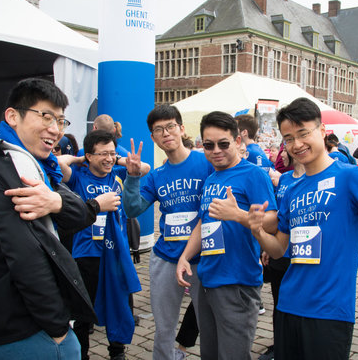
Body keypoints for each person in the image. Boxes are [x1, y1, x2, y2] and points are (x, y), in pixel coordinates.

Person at [248, 97, 358, 360]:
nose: (296, 144)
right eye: (288, 138)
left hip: (329, 312)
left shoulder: (350, 176)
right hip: (288, 306)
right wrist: (258, 231)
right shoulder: (291, 188)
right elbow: (280, 249)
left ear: (322, 131)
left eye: (303, 133)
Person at [0, 78, 97, 360]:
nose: (55, 129)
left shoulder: (35, 164)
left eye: (61, 121)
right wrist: (58, 328)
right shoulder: (6, 170)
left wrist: (56, 201)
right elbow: (27, 259)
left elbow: (79, 210)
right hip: (22, 327)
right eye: (46, 116)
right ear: (13, 116)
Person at [176, 111, 278, 360]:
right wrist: (185, 256)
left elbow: (273, 221)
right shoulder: (211, 178)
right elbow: (204, 221)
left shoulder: (253, 175)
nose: (216, 151)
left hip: (237, 282)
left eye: (223, 144)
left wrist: (238, 215)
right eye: (208, 145)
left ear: (238, 141)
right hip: (207, 279)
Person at [123, 104, 214, 360]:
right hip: (165, 258)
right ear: (153, 137)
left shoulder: (205, 162)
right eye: (158, 130)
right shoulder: (156, 175)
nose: (166, 133)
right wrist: (132, 177)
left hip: (203, 258)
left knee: (208, 325)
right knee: (164, 327)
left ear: (182, 128)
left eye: (171, 126)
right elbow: (132, 209)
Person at [57, 130, 149, 360]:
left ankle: (117, 352)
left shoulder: (118, 172)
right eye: (102, 154)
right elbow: (57, 162)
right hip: (86, 253)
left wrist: (116, 158)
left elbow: (144, 168)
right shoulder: (79, 176)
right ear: (88, 156)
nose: (108, 159)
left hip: (115, 252)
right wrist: (79, 159)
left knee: (118, 304)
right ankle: (82, 354)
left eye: (112, 153)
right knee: (83, 310)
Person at [259, 150, 305, 360]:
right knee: (279, 304)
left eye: (283, 151)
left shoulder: (312, 178)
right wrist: (267, 246)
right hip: (280, 254)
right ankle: (279, 345)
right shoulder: (284, 179)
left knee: (300, 305)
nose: (281, 156)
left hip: (303, 255)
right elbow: (279, 217)